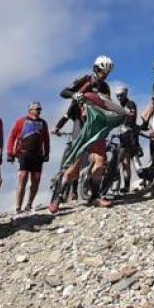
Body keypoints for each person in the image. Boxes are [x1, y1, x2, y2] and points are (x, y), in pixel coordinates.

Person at [55, 55, 115, 208]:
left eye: (107, 73)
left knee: (101, 163)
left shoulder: (105, 87)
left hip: (96, 127)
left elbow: (107, 105)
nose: (105, 75)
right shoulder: (85, 79)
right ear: (96, 69)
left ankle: (95, 196)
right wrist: (74, 94)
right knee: (75, 167)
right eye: (103, 72)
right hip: (81, 126)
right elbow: (63, 92)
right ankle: (58, 195)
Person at [8, 101, 51, 213]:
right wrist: (10, 152)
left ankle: (29, 204)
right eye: (36, 109)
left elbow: (46, 139)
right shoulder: (21, 121)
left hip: (37, 154)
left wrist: (47, 153)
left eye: (40, 109)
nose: (38, 111)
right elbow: (12, 137)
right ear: (30, 110)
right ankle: (18, 207)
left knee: (36, 180)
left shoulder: (43, 123)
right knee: (23, 177)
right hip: (24, 153)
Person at [114, 85, 140, 192]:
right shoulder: (119, 107)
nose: (119, 98)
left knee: (134, 156)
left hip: (131, 134)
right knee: (125, 161)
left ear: (125, 94)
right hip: (122, 136)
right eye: (117, 96)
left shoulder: (130, 104)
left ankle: (143, 176)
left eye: (121, 95)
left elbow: (132, 117)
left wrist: (127, 125)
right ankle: (126, 185)